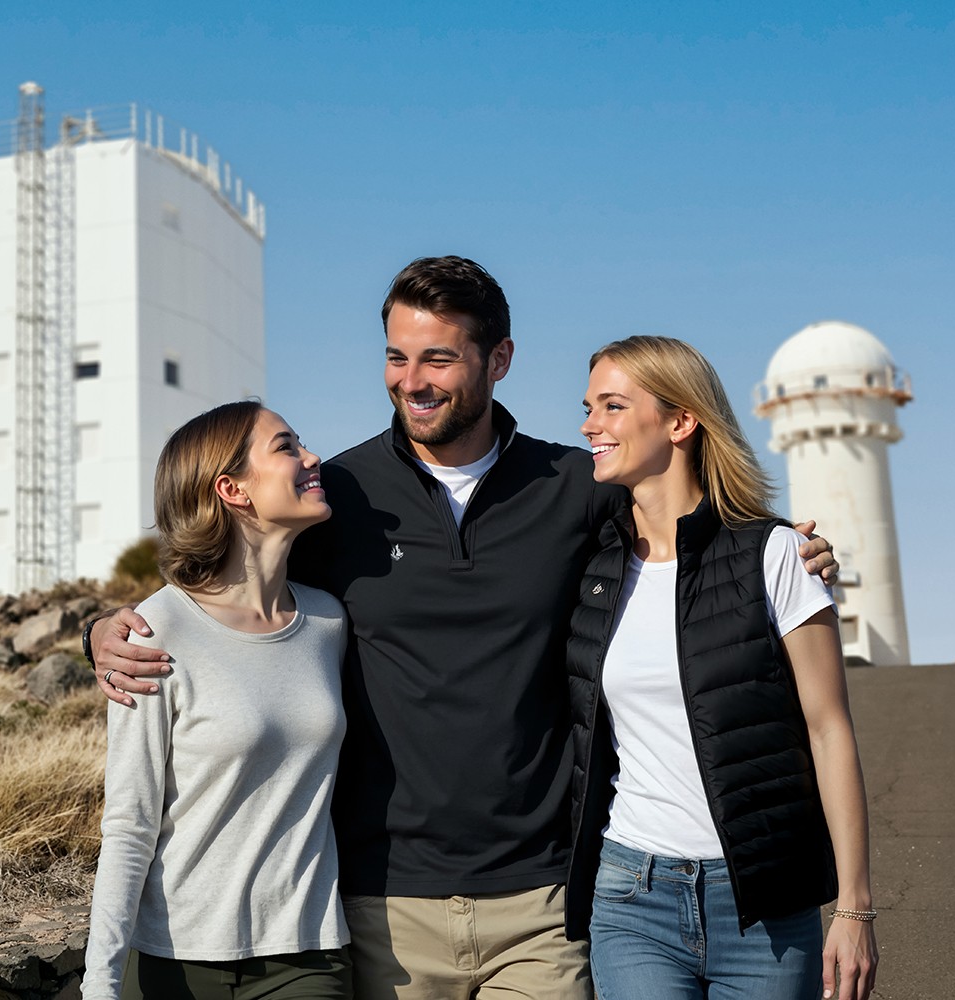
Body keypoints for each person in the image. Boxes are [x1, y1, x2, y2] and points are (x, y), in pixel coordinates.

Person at [88, 258, 839, 1000]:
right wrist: (103, 628)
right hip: (384, 909)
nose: (411, 380)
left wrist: (781, 547)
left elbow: (687, 534)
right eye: (396, 356)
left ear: (499, 359)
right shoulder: (338, 497)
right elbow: (226, 586)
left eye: (439, 358)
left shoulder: (577, 488)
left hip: (544, 905)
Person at [566, 336, 877, 1000]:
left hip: (766, 902)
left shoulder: (778, 557)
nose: (589, 424)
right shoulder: (593, 573)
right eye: (589, 407)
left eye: (613, 406)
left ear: (681, 422)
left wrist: (854, 906)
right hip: (630, 898)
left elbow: (830, 731)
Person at [79, 401, 352, 1000]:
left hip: (306, 953)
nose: (312, 458)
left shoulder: (330, 621)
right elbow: (130, 822)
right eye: (286, 447)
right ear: (232, 489)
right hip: (175, 960)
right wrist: (99, 983)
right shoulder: (154, 630)